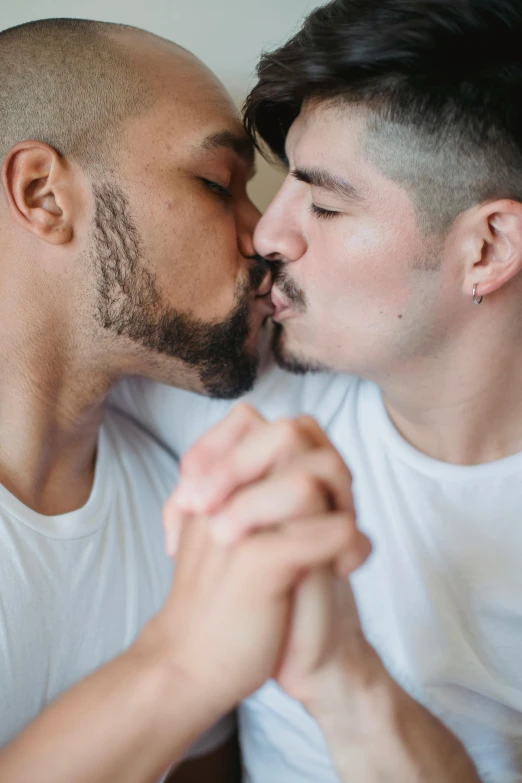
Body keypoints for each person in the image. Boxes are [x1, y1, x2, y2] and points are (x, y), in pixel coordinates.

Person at [115, 0, 522, 781]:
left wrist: (346, 676)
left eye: (326, 204)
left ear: (488, 248)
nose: (270, 232)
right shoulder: (235, 385)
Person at [0, 17, 367, 783]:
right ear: (43, 195)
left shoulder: (183, 512)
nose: (264, 235)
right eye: (214, 184)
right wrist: (181, 661)